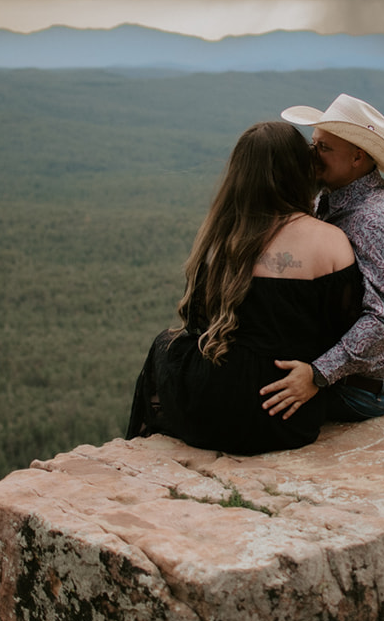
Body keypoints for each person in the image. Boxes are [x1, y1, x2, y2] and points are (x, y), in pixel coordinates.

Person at [126, 121, 362, 454]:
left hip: (210, 411)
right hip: (287, 413)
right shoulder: (333, 242)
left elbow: (200, 326)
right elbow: (344, 330)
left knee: (164, 345)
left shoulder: (220, 239)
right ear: (298, 171)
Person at [260, 93, 384, 423]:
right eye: (314, 143)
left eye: (324, 148)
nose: (312, 155)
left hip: (367, 388)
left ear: (358, 157)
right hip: (362, 378)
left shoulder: (374, 222)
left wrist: (317, 375)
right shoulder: (335, 196)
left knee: (245, 396)